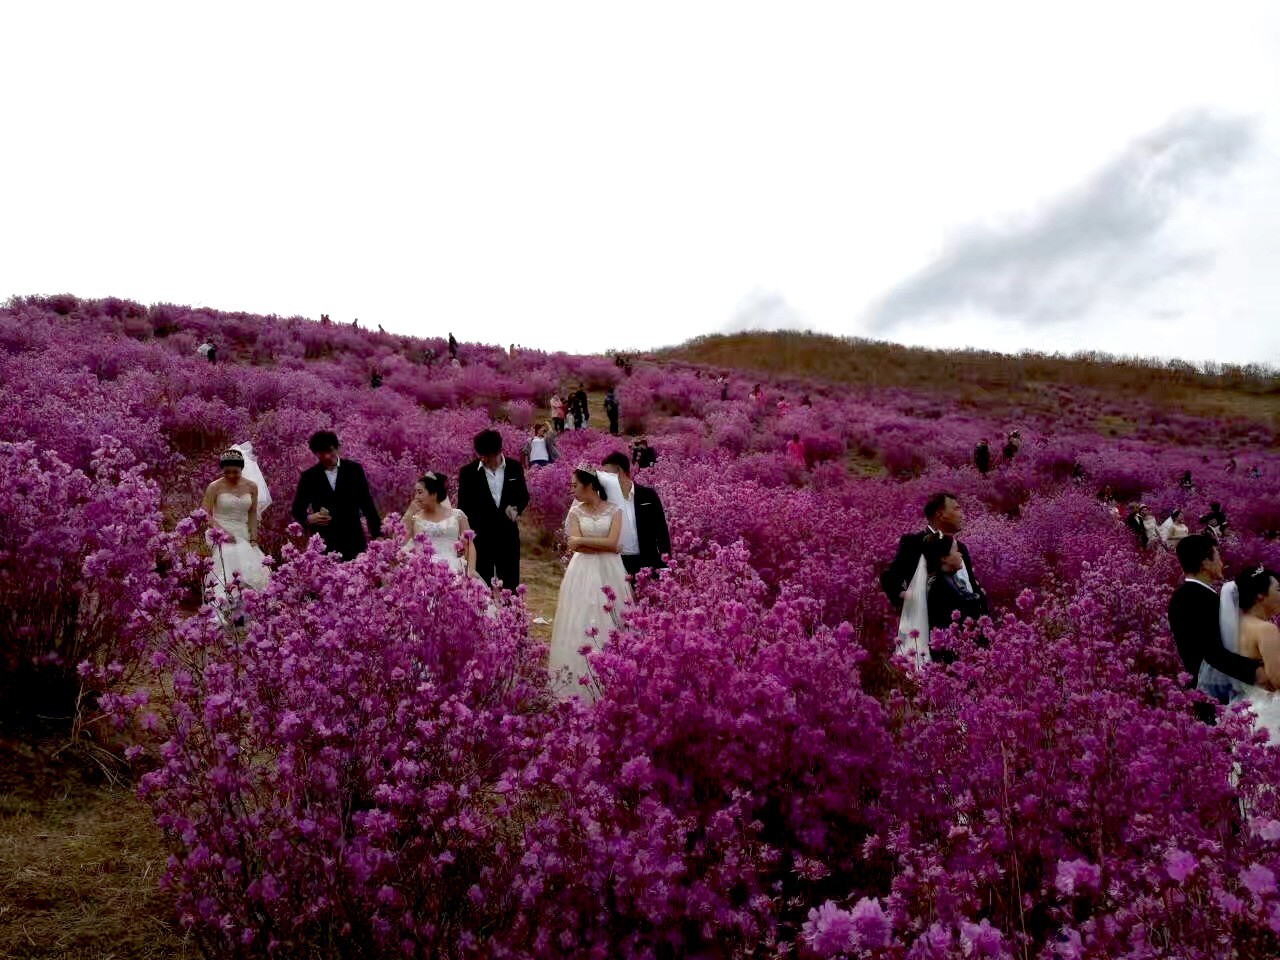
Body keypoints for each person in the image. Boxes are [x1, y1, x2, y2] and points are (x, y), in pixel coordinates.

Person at [547, 468, 632, 699]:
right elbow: (575, 547)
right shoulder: (575, 512)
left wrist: (583, 540)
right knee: (582, 614)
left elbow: (614, 543)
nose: (571, 489)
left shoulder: (614, 511)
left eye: (575, 485)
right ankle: (580, 676)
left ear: (589, 485)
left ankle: (612, 676)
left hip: (609, 569)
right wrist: (600, 544)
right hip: (582, 569)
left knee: (610, 613)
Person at [1168, 534, 1267, 706]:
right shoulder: (1196, 598)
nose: (1222, 562)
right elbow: (1213, 653)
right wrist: (1256, 672)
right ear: (1205, 563)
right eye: (1218, 556)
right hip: (1213, 694)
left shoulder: (1189, 595)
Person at [290, 431, 382, 561]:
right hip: (325, 543)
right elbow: (297, 509)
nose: (327, 456)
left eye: (330, 451)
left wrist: (377, 534)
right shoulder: (309, 477)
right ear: (316, 454)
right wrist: (310, 518)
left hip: (353, 538)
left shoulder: (354, 470)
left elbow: (367, 503)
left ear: (337, 447)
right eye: (322, 453)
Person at [881, 492, 979, 613]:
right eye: (956, 509)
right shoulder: (914, 543)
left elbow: (972, 586)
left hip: (969, 625)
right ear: (940, 515)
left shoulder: (961, 547)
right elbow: (890, 577)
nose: (961, 514)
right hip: (935, 626)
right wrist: (908, 597)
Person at [457, 429, 529, 591]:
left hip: (508, 537)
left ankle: (512, 615)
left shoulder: (514, 467)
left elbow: (523, 495)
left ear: (497, 452)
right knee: (480, 586)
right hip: (481, 540)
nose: (482, 459)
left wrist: (515, 510)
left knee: (510, 586)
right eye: (480, 455)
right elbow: (463, 508)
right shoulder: (468, 473)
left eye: (485, 456)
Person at [202, 446, 270, 604]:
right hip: (220, 532)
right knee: (229, 559)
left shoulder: (251, 487)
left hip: (242, 531)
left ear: (242, 469)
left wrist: (253, 538)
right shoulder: (215, 487)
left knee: (253, 567)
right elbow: (205, 514)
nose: (231, 475)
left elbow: (252, 513)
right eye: (227, 472)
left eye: (235, 471)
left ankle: (246, 609)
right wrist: (222, 532)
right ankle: (223, 605)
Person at [1227, 566, 1280, 742]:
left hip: (1246, 710)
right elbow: (1277, 678)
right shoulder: (1266, 629)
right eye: (1278, 590)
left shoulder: (1235, 626)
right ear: (1260, 595)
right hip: (1270, 710)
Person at [598, 451, 671, 577]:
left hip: (646, 562)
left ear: (619, 472)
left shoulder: (648, 495)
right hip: (618, 564)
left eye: (607, 474)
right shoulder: (604, 499)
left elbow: (661, 530)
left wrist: (665, 564)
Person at [401, 471, 475, 577]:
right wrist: (409, 513)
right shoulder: (414, 519)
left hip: (453, 570)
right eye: (416, 493)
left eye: (420, 492)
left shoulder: (457, 515)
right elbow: (399, 541)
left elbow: (470, 545)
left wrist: (470, 570)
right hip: (424, 573)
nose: (416, 497)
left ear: (434, 494)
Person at [923, 534, 989, 633]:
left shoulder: (952, 578)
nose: (960, 555)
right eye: (956, 551)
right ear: (944, 558)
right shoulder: (939, 588)